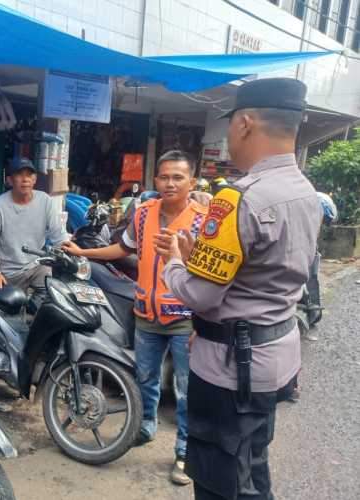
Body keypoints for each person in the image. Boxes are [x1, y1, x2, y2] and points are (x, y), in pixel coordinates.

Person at [153, 78, 322, 499]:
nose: (228, 135)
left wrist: (174, 259)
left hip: (232, 369)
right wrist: (200, 261)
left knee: (219, 481)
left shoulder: (239, 199)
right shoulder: (305, 192)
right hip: (273, 356)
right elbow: (259, 275)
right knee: (251, 464)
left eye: (230, 125)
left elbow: (200, 296)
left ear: (245, 123)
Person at [63, 150, 208, 485]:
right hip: (146, 313)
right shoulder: (143, 213)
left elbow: (212, 276)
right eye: (164, 177)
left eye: (178, 177)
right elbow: (123, 249)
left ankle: (185, 452)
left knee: (186, 389)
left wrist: (203, 318)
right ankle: (145, 427)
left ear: (192, 181)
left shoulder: (203, 220)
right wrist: (83, 252)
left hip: (186, 316)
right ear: (154, 180)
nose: (170, 183)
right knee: (145, 378)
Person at [0, 157, 67, 296]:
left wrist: (71, 250)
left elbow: (58, 234)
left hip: (37, 266)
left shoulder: (45, 200)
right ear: (9, 180)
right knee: (10, 311)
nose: (25, 179)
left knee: (54, 300)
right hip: (9, 272)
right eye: (19, 174)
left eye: (29, 175)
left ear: (35, 179)